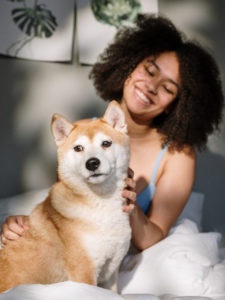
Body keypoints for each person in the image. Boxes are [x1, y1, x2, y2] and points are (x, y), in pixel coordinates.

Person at [1, 14, 224, 252]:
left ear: (174, 105)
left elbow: (152, 239)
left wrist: (132, 206)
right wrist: (24, 226)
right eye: (149, 71)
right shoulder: (80, 130)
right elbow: (63, 214)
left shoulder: (179, 155)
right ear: (130, 65)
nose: (151, 87)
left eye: (168, 88)